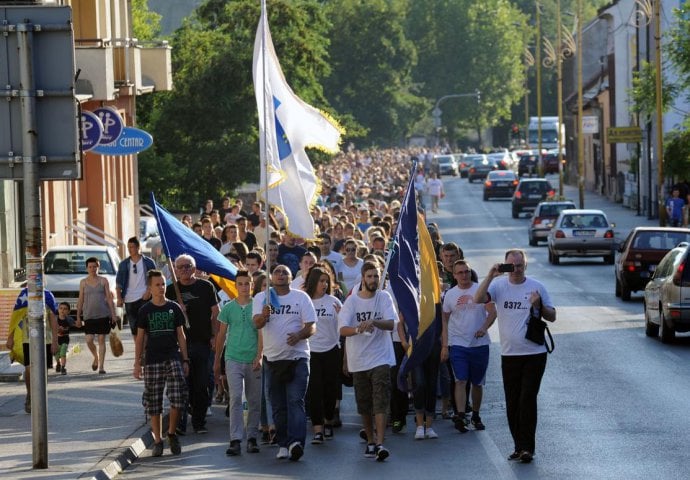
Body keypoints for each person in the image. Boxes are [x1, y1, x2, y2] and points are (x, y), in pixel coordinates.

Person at [474, 249, 556, 463]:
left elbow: (552, 316)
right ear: (505, 265)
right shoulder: (499, 286)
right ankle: (518, 446)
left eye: (519, 265)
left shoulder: (537, 286)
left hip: (534, 353)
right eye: (511, 266)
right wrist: (491, 275)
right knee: (512, 402)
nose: (516, 270)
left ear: (525, 266)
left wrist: (539, 305)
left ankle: (528, 447)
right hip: (509, 354)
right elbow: (478, 299)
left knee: (527, 398)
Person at [253, 265, 317, 462]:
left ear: (291, 277)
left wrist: (299, 335)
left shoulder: (301, 297)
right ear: (271, 277)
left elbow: (311, 326)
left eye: (284, 272)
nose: (280, 274)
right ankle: (283, 443)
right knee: (279, 406)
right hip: (272, 360)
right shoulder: (262, 297)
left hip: (298, 358)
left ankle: (296, 442)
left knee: (295, 401)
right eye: (277, 272)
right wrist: (264, 315)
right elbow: (256, 323)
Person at [339, 261, 397, 462]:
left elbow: (391, 324)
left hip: (380, 358)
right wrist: (358, 329)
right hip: (359, 360)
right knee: (364, 403)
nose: (373, 280)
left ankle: (381, 443)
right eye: (370, 276)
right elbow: (342, 329)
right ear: (363, 278)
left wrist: (374, 322)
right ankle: (370, 439)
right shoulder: (352, 302)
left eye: (376, 276)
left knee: (381, 399)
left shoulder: (384, 297)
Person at [134, 270, 190, 457]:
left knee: (178, 397)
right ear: (150, 288)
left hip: (172, 356)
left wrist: (185, 358)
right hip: (152, 360)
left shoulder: (173, 308)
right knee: (153, 402)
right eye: (157, 285)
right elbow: (140, 338)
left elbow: (181, 335)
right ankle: (157, 440)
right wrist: (137, 362)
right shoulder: (145, 311)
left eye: (163, 284)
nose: (161, 288)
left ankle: (172, 433)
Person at [166, 254, 219, 435]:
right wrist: (176, 311)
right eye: (180, 267)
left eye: (188, 266)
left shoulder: (206, 287)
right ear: (175, 269)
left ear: (194, 267)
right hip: (179, 345)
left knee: (201, 384)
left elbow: (215, 313)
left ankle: (198, 422)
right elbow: (164, 314)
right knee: (181, 385)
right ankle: (180, 424)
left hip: (202, 343)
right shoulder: (171, 290)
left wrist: (214, 336)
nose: (184, 270)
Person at [441, 260, 496, 433]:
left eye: (466, 272)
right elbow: (444, 319)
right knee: (460, 380)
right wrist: (444, 345)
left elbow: (492, 312)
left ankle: (476, 415)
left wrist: (483, 328)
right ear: (454, 275)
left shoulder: (479, 290)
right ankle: (461, 414)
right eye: (460, 273)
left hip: (479, 344)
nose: (464, 275)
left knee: (477, 383)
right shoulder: (450, 295)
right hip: (458, 344)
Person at [214, 270, 262, 456]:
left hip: (253, 358)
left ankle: (252, 437)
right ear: (236, 285)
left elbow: (261, 332)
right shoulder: (228, 308)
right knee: (235, 398)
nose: (244, 287)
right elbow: (221, 335)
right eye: (240, 283)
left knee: (254, 399)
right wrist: (217, 360)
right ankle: (235, 439)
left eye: (247, 283)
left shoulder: (257, 307)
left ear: (252, 285)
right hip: (233, 357)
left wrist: (260, 354)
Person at [304, 265, 342, 444]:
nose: (324, 284)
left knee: (330, 389)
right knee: (314, 390)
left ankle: (328, 420)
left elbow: (342, 326)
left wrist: (342, 316)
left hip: (331, 350)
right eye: (321, 281)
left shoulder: (333, 301)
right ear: (313, 282)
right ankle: (317, 428)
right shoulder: (305, 301)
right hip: (311, 351)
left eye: (327, 281)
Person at [5, 287, 58, 413]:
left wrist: (55, 341)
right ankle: (30, 395)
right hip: (28, 339)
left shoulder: (48, 295)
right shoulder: (24, 294)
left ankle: (40, 397)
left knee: (42, 370)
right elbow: (15, 317)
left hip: (45, 339)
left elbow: (53, 319)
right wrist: (10, 337)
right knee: (29, 368)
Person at [76, 256, 118, 374]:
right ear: (87, 268)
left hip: (103, 314)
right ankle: (96, 356)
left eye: (95, 266)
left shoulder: (103, 281)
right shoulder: (83, 282)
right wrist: (78, 317)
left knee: (101, 340)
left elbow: (109, 298)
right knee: (89, 340)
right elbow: (80, 300)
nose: (92, 269)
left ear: (98, 267)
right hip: (89, 315)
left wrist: (113, 314)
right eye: (90, 267)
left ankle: (101, 367)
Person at [116, 237, 156, 337]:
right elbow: (118, 283)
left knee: (145, 327)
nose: (129, 249)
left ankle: (145, 351)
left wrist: (149, 291)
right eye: (128, 247)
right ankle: (139, 351)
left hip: (144, 298)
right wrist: (119, 298)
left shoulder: (149, 262)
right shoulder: (123, 264)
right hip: (129, 299)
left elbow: (155, 279)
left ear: (138, 247)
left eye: (132, 247)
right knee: (134, 329)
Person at [55, 302, 75, 375]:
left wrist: (81, 323)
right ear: (58, 309)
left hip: (65, 339)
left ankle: (63, 367)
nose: (62, 310)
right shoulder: (55, 319)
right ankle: (58, 363)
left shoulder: (69, 319)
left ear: (68, 311)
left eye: (65, 309)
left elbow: (76, 324)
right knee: (56, 354)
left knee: (63, 352)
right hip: (56, 339)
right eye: (61, 308)